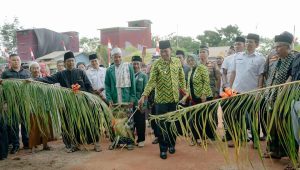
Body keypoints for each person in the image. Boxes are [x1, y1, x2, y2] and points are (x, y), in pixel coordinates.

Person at [37, 51, 93, 152]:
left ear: (74, 61)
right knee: (67, 124)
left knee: (82, 122)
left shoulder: (81, 72)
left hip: (80, 103)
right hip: (66, 104)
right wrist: (34, 80)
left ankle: (81, 142)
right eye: (68, 61)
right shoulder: (61, 74)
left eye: (72, 60)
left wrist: (89, 98)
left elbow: (88, 86)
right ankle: (70, 144)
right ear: (64, 62)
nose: (70, 63)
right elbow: (48, 79)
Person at [138, 40, 186, 159]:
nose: (164, 54)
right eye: (162, 51)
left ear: (170, 50)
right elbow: (151, 81)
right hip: (161, 102)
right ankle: (163, 148)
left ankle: (171, 144)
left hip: (174, 100)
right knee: (162, 125)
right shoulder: (157, 64)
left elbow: (181, 77)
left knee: (173, 124)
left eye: (166, 51)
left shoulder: (176, 62)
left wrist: (185, 91)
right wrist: (144, 95)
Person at [262, 33, 297, 160]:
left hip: (285, 99)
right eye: (275, 47)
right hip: (272, 98)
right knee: (272, 125)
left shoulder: (294, 59)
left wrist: (282, 96)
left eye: (279, 47)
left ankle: (288, 153)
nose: (276, 49)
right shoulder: (278, 60)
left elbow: (291, 78)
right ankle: (274, 151)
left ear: (287, 46)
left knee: (284, 126)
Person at [229, 33, 266, 147]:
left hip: (252, 93)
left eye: (251, 42)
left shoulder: (261, 59)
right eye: (247, 41)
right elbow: (233, 73)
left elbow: (261, 76)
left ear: (257, 44)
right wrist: (230, 89)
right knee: (237, 116)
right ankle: (239, 138)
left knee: (253, 117)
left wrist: (258, 92)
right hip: (237, 92)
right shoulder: (238, 56)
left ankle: (255, 140)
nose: (248, 43)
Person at [105, 47, 136, 150]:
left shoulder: (128, 67)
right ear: (112, 58)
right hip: (115, 101)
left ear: (121, 57)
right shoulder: (109, 70)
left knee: (128, 122)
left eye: (119, 57)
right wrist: (109, 99)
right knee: (116, 122)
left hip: (126, 99)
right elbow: (107, 85)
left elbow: (133, 83)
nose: (117, 59)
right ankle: (116, 142)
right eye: (115, 57)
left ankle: (129, 142)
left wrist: (132, 98)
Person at [1, 54, 30, 154]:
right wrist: (4, 103)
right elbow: (3, 89)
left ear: (20, 61)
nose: (16, 62)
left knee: (25, 123)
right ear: (10, 62)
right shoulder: (6, 74)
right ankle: (16, 145)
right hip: (12, 102)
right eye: (14, 60)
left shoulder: (27, 73)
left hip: (24, 101)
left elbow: (31, 88)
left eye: (18, 60)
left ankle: (26, 143)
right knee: (13, 124)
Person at [186, 55, 212, 144]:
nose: (190, 62)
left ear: (196, 60)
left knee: (202, 118)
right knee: (193, 118)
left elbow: (206, 81)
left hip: (203, 97)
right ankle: (195, 137)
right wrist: (186, 96)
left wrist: (204, 94)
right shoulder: (190, 71)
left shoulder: (202, 68)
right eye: (188, 60)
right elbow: (189, 86)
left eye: (192, 60)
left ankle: (204, 138)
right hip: (193, 98)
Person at [28, 62, 53, 152]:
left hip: (45, 105)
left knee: (45, 125)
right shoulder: (28, 81)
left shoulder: (45, 79)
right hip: (33, 106)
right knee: (34, 126)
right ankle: (33, 146)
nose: (36, 70)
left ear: (40, 69)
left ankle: (45, 145)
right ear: (30, 70)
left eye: (37, 68)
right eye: (33, 68)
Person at [131, 55, 148, 147]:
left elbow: (146, 90)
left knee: (140, 121)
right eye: (134, 64)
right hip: (130, 103)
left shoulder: (143, 76)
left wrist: (143, 105)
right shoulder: (129, 75)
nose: (136, 66)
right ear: (131, 64)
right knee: (131, 122)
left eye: (137, 64)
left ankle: (141, 139)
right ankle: (130, 139)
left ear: (140, 64)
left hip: (140, 102)